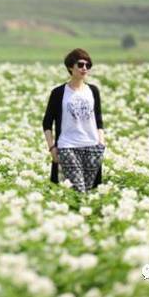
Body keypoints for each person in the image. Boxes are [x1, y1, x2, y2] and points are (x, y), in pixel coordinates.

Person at [42, 48, 106, 192]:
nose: (84, 68)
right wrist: (52, 148)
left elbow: (98, 119)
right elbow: (47, 122)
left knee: (90, 192)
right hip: (67, 146)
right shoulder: (59, 93)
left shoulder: (93, 91)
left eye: (88, 65)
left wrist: (101, 143)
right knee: (78, 190)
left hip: (92, 147)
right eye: (81, 64)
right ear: (71, 67)